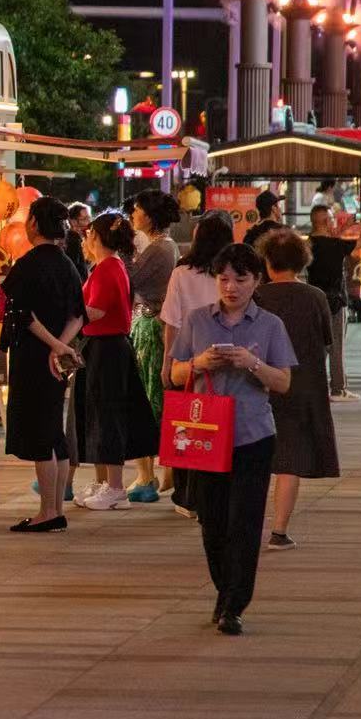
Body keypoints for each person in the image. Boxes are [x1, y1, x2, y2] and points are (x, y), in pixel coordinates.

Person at [170, 242, 296, 635]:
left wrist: (252, 363)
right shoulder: (196, 320)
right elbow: (174, 374)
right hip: (206, 434)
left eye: (240, 279)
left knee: (245, 521)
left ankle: (234, 605)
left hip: (253, 434)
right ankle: (226, 592)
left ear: (256, 280)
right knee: (212, 522)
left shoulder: (270, 325)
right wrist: (197, 363)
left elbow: (284, 382)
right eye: (223, 278)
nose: (231, 287)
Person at [2, 196, 84, 532]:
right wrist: (62, 346)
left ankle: (47, 511)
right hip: (57, 360)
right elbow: (79, 314)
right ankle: (55, 508)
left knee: (40, 434)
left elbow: (22, 316)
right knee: (55, 433)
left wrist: (52, 345)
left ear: (33, 223)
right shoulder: (67, 263)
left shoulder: (27, 264)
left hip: (34, 357)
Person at [256, 230, 340, 551]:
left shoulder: (258, 297)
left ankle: (248, 524)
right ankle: (279, 531)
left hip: (262, 384)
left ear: (266, 261)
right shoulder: (315, 296)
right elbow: (326, 341)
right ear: (302, 261)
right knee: (290, 460)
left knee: (257, 458)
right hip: (303, 385)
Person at [72, 212, 158, 511]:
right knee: (99, 412)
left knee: (108, 413)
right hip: (103, 346)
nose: (85, 239)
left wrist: (65, 323)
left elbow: (94, 311)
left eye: (88, 234)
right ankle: (106, 482)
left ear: (95, 236)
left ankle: (116, 486)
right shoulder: (106, 266)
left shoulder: (109, 267)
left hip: (108, 347)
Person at [160, 212, 235, 519]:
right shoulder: (233, 273)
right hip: (228, 356)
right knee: (221, 426)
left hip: (189, 357)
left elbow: (172, 321)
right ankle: (217, 493)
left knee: (186, 425)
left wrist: (168, 361)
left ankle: (187, 495)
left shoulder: (182, 272)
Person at [128, 190, 183, 502]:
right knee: (154, 400)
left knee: (147, 401)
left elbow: (129, 279)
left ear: (148, 215)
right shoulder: (165, 246)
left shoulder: (158, 249)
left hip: (150, 327)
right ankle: (162, 470)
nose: (133, 215)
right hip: (153, 325)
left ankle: (150, 473)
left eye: (136, 209)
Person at [305, 204, 358, 402]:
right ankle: (338, 388)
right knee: (336, 346)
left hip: (315, 300)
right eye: (331, 219)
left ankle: (316, 386)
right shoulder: (336, 245)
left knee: (318, 346)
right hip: (335, 300)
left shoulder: (308, 244)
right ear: (327, 222)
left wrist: (341, 230)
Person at [64, 203, 91, 279]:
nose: (89, 222)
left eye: (89, 218)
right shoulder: (72, 240)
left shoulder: (82, 238)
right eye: (84, 219)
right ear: (73, 221)